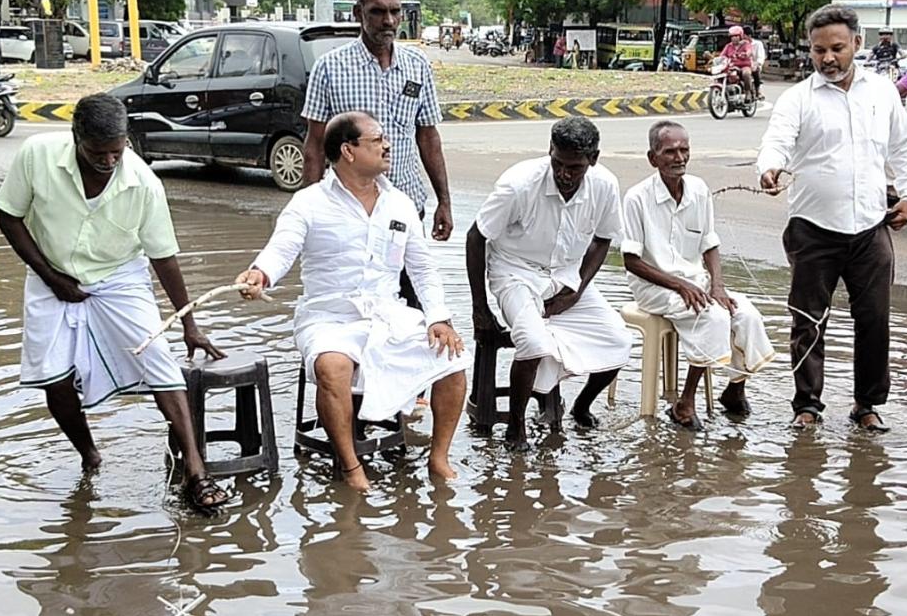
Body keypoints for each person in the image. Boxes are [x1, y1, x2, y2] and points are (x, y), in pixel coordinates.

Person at [0, 93, 230, 513]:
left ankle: (196, 469)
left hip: (119, 275)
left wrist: (188, 324)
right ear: (76, 139)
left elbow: (163, 257)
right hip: (51, 270)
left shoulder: (143, 183)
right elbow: (8, 217)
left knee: (157, 358)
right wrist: (52, 277)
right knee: (52, 375)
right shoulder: (37, 155)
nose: (107, 162)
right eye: (97, 153)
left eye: (116, 152)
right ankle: (89, 453)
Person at [237, 111, 467, 492]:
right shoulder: (308, 203)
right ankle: (350, 464)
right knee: (333, 366)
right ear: (348, 151)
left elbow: (423, 270)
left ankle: (438, 456)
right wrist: (259, 274)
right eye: (377, 140)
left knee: (452, 357)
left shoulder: (400, 205)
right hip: (329, 316)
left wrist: (438, 318)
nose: (387, 145)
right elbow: (281, 250)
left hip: (388, 313)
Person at [757, 4, 907, 432]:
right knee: (807, 321)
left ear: (857, 45)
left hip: (871, 229)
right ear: (809, 51)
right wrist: (769, 168)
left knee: (875, 321)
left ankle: (866, 405)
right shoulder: (798, 98)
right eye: (818, 51)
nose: (828, 58)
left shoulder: (883, 93)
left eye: (837, 48)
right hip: (812, 229)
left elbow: (903, 150)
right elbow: (776, 141)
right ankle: (807, 406)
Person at [466, 116, 632, 449]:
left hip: (567, 276)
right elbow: (476, 237)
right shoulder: (519, 184)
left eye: (575, 167)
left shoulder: (604, 185)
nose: (564, 174)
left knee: (619, 341)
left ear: (593, 160)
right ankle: (516, 428)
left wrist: (576, 292)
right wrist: (480, 308)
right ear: (550, 152)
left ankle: (581, 405)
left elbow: (602, 240)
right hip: (515, 272)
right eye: (558, 163)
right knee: (534, 341)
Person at [623, 121, 775, 430]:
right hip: (654, 285)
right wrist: (680, 285)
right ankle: (685, 402)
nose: (678, 157)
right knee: (714, 318)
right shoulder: (637, 198)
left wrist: (717, 285)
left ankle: (735, 390)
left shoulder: (698, 189)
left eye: (684, 150)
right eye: (669, 152)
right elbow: (631, 261)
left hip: (696, 280)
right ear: (653, 158)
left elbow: (709, 243)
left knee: (745, 314)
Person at [301, 0, 453, 247]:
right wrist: (308, 215)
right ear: (359, 13)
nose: (389, 21)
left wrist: (444, 201)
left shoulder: (417, 65)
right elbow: (315, 147)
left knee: (413, 286)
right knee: (354, 287)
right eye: (378, 12)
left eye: (395, 11)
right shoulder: (330, 68)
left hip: (406, 206)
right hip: (348, 211)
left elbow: (428, 138)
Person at [719, 26, 755, 99]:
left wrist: (746, 54)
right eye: (732, 36)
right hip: (732, 66)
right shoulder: (728, 46)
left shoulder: (746, 44)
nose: (734, 38)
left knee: (746, 74)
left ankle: (747, 92)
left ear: (740, 36)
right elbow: (721, 56)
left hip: (744, 66)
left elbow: (749, 51)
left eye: (736, 36)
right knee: (722, 75)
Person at [746, 25, 766, 99]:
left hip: (754, 64)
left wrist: (758, 63)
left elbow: (761, 56)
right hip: (744, 64)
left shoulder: (757, 44)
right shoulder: (741, 44)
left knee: (755, 70)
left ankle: (758, 91)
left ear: (749, 35)